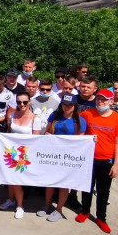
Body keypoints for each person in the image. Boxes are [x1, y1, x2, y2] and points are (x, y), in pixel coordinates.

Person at [76, 88, 118, 234]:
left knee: (103, 191)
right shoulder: (88, 114)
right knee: (86, 188)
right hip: (88, 159)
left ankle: (101, 218)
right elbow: (79, 129)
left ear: (111, 101)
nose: (100, 102)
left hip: (106, 161)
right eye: (98, 99)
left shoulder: (117, 118)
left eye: (104, 99)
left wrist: (116, 165)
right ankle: (85, 211)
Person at [39, 93, 87, 222]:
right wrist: (48, 135)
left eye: (70, 105)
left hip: (68, 157)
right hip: (52, 155)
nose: (66, 107)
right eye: (64, 104)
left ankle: (59, 209)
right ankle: (48, 205)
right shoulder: (54, 116)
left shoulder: (80, 121)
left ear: (74, 106)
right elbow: (46, 132)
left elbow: (81, 143)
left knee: (64, 184)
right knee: (49, 182)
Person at [4, 92, 39, 219]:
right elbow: (9, 132)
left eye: (25, 102)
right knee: (10, 180)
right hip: (12, 152)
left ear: (29, 102)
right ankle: (11, 199)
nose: (22, 104)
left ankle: (20, 206)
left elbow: (36, 139)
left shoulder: (36, 118)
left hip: (25, 155)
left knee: (17, 181)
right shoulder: (12, 115)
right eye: (19, 102)